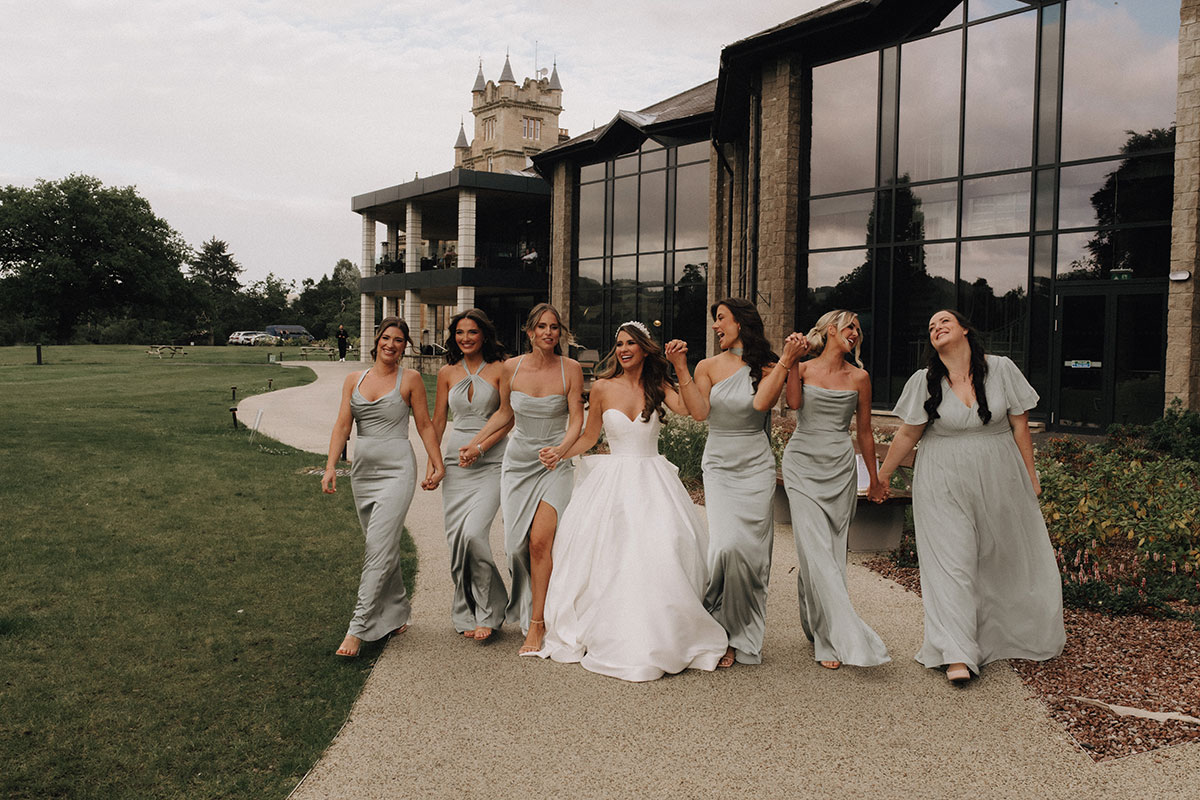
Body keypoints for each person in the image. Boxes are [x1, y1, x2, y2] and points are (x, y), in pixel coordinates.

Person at [869, 309, 1065, 684]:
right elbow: (908, 435)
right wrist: (882, 476)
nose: (936, 327)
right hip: (942, 478)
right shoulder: (923, 381)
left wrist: (1030, 476)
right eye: (930, 327)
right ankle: (957, 652)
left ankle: (1002, 634)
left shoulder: (1002, 368)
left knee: (998, 557)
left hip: (999, 475)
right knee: (952, 562)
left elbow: (1020, 424)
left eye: (944, 321)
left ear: (964, 330)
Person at [533, 321, 729, 681]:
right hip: (612, 483)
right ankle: (613, 625)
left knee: (663, 549)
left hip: (652, 479)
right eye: (619, 343)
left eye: (631, 344)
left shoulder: (660, 386)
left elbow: (696, 413)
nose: (623, 349)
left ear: (644, 349)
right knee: (609, 553)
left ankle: (663, 630)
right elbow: (590, 437)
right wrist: (561, 453)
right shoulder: (604, 387)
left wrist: (681, 366)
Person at [665, 298, 801, 667]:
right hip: (721, 466)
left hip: (755, 466)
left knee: (751, 554)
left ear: (741, 322)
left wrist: (787, 361)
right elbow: (700, 412)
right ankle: (717, 629)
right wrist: (680, 367)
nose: (715, 326)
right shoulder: (707, 366)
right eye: (714, 320)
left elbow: (761, 405)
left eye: (720, 319)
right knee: (725, 547)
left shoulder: (772, 365)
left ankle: (742, 634)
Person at [460, 303, 584, 654]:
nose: (549, 332)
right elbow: (504, 414)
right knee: (515, 547)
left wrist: (561, 449)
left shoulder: (570, 369)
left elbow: (577, 419)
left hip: (553, 465)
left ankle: (537, 622)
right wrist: (476, 443)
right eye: (542, 327)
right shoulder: (510, 369)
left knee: (540, 542)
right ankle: (531, 604)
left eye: (554, 327)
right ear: (529, 332)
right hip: (518, 465)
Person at [322, 317, 445, 657]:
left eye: (399, 340)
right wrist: (331, 466)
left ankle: (358, 628)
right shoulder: (353, 380)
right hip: (363, 472)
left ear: (406, 346)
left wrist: (437, 462)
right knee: (382, 545)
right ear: (377, 340)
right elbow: (342, 425)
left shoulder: (412, 379)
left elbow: (423, 424)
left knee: (377, 547)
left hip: (397, 470)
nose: (391, 344)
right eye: (386, 338)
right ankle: (398, 613)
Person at [781, 310, 890, 670]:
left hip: (839, 468)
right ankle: (830, 638)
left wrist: (874, 479)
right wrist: (792, 360)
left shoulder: (860, 377)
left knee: (829, 551)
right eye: (850, 327)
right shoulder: (804, 368)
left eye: (859, 329)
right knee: (814, 547)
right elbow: (793, 406)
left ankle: (816, 622)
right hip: (802, 464)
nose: (856, 333)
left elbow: (864, 432)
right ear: (831, 331)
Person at [432, 309, 511, 642]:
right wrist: (434, 466)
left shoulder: (500, 369)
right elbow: (436, 422)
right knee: (456, 542)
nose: (466, 338)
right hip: (455, 464)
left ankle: (491, 611)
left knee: (474, 535)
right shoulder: (446, 372)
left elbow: (508, 417)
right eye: (460, 333)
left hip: (491, 461)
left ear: (484, 335)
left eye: (473, 332)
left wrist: (480, 447)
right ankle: (467, 610)